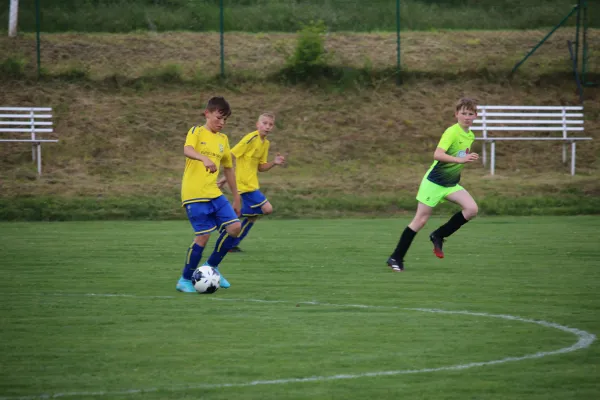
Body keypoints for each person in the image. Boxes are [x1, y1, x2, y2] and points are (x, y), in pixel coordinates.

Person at [387, 97, 480, 272]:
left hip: (450, 184)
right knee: (420, 220)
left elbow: (457, 158)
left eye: (470, 113)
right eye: (463, 113)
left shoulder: (470, 135)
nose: (467, 117)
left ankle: (438, 235)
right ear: (456, 115)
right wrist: (460, 159)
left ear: (475, 116)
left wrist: (463, 160)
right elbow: (437, 155)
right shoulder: (452, 132)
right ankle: (396, 257)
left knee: (471, 209)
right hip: (434, 183)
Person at [203, 112, 286, 270]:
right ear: (257, 124)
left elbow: (261, 167)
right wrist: (225, 177)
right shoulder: (250, 138)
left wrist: (274, 163)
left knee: (252, 216)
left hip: (252, 185)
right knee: (267, 208)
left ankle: (231, 241)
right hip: (243, 185)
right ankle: (223, 225)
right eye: (265, 123)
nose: (267, 127)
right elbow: (231, 155)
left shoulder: (265, 144)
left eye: (270, 124)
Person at [176, 96, 241, 293]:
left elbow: (228, 169)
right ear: (207, 114)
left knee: (235, 227)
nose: (221, 123)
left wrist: (237, 196)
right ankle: (185, 279)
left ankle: (212, 267)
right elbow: (187, 149)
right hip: (194, 193)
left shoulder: (223, 139)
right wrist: (203, 158)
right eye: (218, 118)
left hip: (214, 193)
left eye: (225, 120)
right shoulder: (196, 131)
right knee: (203, 237)